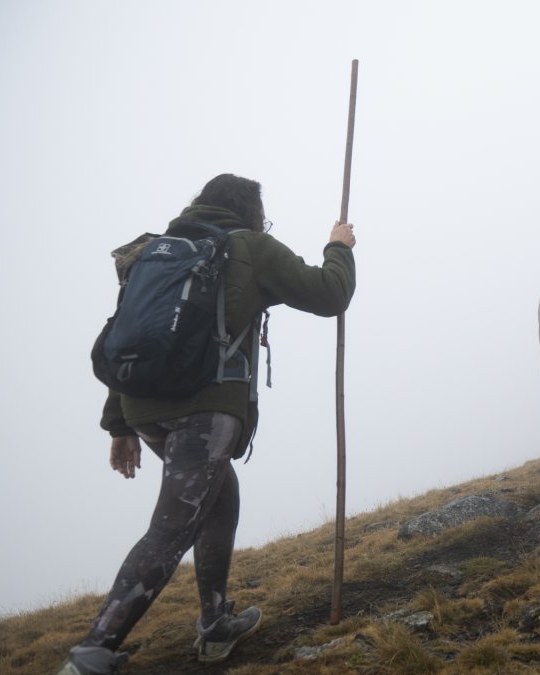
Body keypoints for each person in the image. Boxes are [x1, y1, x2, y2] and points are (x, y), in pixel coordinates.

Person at [58, 174, 356, 675]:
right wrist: (337, 246)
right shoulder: (249, 246)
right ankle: (92, 653)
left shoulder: (155, 253)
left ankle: (215, 622)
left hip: (144, 409)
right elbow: (329, 295)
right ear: (250, 211)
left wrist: (120, 426)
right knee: (174, 526)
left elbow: (131, 337)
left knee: (220, 497)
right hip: (204, 410)